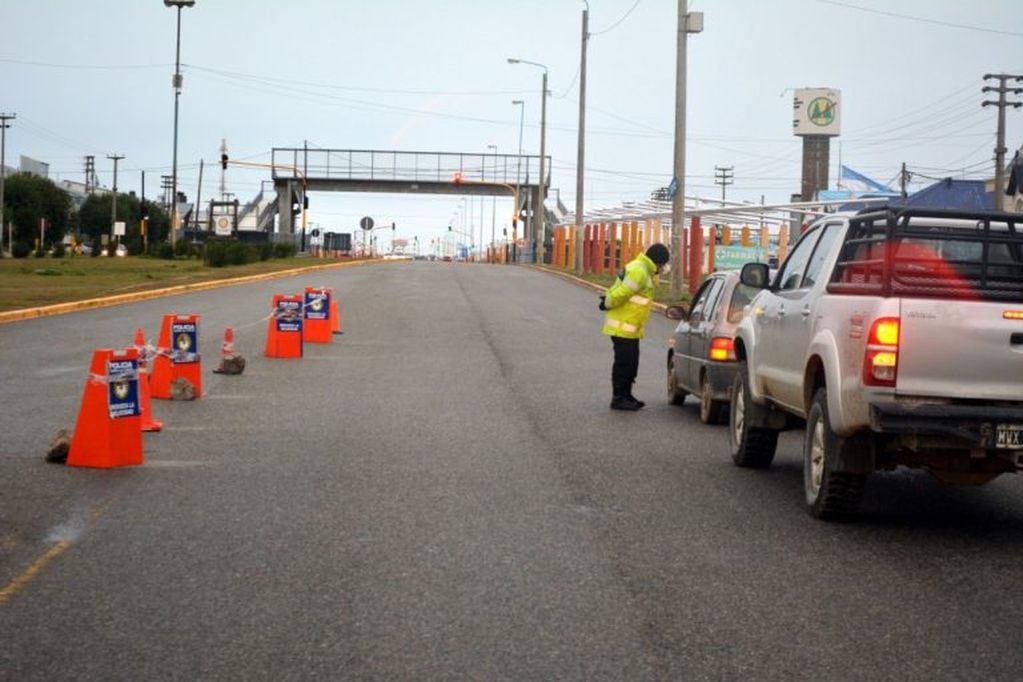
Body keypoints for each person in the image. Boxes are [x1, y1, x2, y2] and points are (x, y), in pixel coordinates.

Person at [599, 243, 671, 410]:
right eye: (662, 264)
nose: (663, 268)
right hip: (623, 326)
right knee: (624, 364)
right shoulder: (639, 271)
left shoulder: (643, 269)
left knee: (631, 363)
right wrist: (607, 303)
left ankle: (626, 395)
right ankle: (619, 398)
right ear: (657, 261)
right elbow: (623, 292)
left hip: (630, 327)